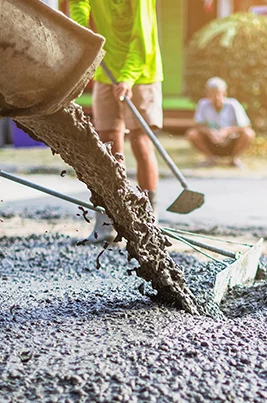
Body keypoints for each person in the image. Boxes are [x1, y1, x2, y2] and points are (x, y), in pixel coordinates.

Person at [69, 0, 163, 242]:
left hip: (142, 72)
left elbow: (141, 40)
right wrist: (83, 33)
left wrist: (128, 78)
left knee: (141, 142)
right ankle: (110, 218)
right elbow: (79, 3)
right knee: (108, 146)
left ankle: (148, 221)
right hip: (106, 68)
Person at [186, 77, 255, 169]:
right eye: (212, 93)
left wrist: (227, 131)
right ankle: (210, 158)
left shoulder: (233, 104)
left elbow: (246, 126)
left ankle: (234, 159)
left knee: (249, 133)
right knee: (192, 133)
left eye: (218, 93)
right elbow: (197, 125)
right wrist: (209, 132)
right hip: (211, 140)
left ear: (224, 93)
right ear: (207, 94)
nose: (216, 97)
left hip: (231, 140)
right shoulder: (203, 104)